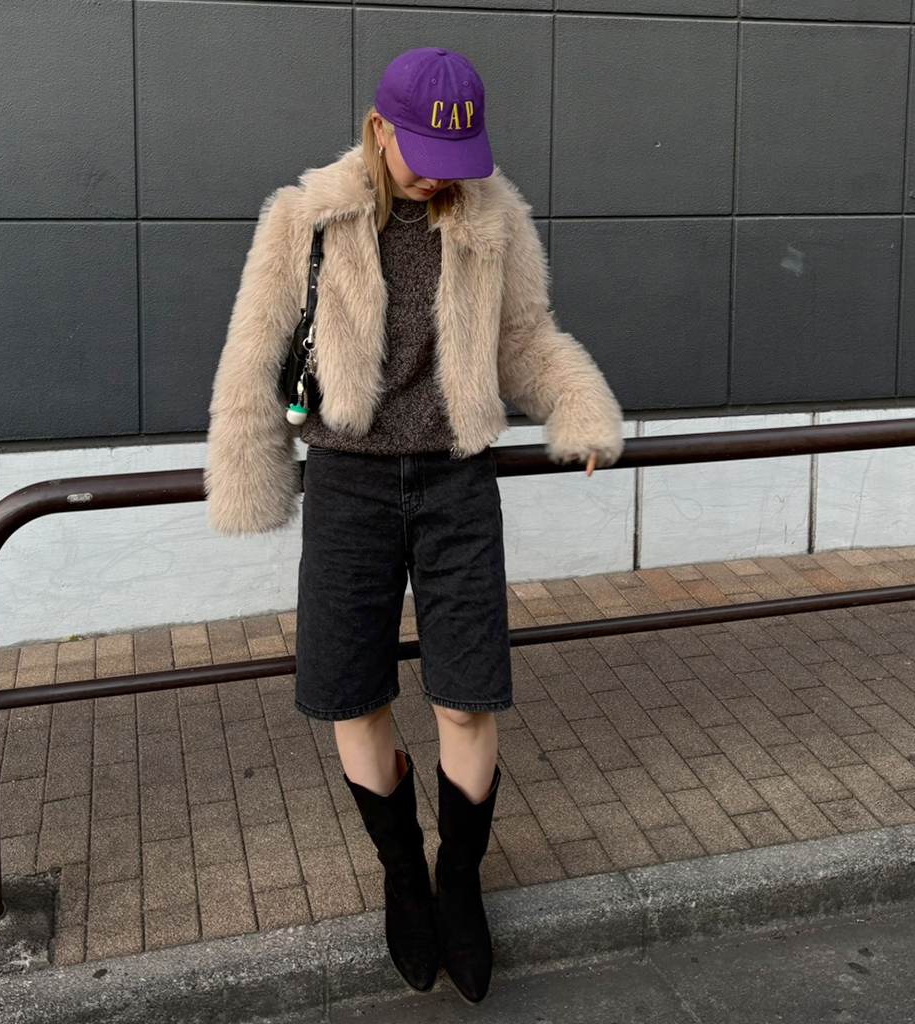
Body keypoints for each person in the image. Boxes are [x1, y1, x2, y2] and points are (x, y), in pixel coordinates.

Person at [206, 47, 624, 1003]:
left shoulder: (493, 216)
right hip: (347, 484)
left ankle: (458, 880)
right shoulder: (305, 217)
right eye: (427, 155)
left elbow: (524, 338)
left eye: (458, 157)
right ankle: (403, 876)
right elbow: (253, 353)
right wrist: (248, 478)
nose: (443, 176)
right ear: (379, 128)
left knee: (468, 697)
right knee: (351, 694)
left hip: (456, 483)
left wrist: (579, 406)